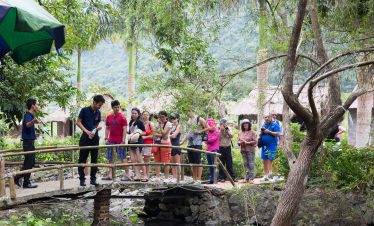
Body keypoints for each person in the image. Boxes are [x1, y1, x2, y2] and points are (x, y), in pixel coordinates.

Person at [76, 95, 105, 186]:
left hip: (95, 138)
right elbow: (78, 122)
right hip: (85, 138)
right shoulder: (84, 110)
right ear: (94, 102)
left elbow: (96, 125)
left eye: (101, 105)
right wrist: (86, 131)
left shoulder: (98, 113)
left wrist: (97, 128)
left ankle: (93, 179)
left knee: (94, 159)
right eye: (99, 105)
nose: (99, 107)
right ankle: (82, 179)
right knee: (82, 159)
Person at [14, 99, 40, 188]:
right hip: (28, 142)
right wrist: (33, 121)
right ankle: (22, 180)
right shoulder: (28, 115)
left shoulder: (30, 115)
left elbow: (28, 127)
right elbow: (27, 125)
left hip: (29, 141)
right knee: (29, 163)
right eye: (37, 104)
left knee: (29, 162)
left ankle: (20, 179)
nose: (38, 106)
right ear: (32, 105)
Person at [103, 100, 129, 181]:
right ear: (112, 108)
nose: (117, 108)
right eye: (115, 107)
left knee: (123, 157)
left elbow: (125, 129)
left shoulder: (122, 117)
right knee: (110, 158)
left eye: (118, 107)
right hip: (111, 140)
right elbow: (107, 128)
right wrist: (106, 137)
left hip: (120, 140)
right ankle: (110, 174)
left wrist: (123, 140)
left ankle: (127, 175)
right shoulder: (109, 117)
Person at [181, 111, 207, 181]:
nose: (187, 113)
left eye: (187, 111)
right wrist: (182, 142)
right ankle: (194, 178)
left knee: (197, 162)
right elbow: (188, 132)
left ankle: (198, 179)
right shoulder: (189, 120)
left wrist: (199, 131)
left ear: (191, 111)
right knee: (192, 162)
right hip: (190, 143)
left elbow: (208, 128)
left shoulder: (199, 119)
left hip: (197, 143)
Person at [128, 107, 147, 182]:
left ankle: (145, 175)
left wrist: (138, 133)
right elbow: (129, 132)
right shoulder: (130, 122)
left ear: (138, 114)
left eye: (135, 113)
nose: (133, 114)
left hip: (138, 142)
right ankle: (137, 174)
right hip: (131, 142)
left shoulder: (140, 122)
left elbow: (144, 132)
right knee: (133, 159)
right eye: (132, 113)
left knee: (139, 159)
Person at [260, 114, 281, 181]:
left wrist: (269, 132)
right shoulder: (263, 125)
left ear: (271, 117)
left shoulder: (275, 124)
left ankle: (270, 175)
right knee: (264, 159)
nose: (267, 118)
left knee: (270, 159)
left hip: (272, 145)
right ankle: (266, 175)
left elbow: (278, 134)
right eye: (265, 117)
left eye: (268, 117)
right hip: (264, 145)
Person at [153, 111, 173, 181]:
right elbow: (154, 133)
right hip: (157, 143)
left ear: (166, 117)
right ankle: (157, 177)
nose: (161, 118)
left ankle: (166, 178)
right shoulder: (156, 124)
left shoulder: (169, 124)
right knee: (157, 160)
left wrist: (161, 125)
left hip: (165, 144)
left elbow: (164, 134)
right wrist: (160, 134)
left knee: (166, 161)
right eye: (160, 117)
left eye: (162, 117)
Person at [238, 119, 257, 183]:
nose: (245, 125)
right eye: (244, 124)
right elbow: (238, 140)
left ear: (249, 125)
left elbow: (255, 141)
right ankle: (246, 178)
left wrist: (247, 142)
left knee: (251, 164)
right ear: (242, 125)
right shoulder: (240, 132)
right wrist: (240, 142)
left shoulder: (252, 132)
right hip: (243, 150)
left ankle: (251, 178)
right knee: (245, 164)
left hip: (250, 150)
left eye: (247, 124)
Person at [218, 118, 237, 182]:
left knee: (229, 163)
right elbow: (218, 137)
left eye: (224, 122)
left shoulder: (228, 128)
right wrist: (221, 131)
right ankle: (222, 177)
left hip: (228, 147)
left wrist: (226, 131)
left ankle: (232, 177)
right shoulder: (218, 129)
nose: (223, 123)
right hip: (221, 147)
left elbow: (231, 136)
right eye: (222, 122)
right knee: (221, 163)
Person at [205, 118, 220, 184]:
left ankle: (216, 178)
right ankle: (211, 178)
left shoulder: (217, 131)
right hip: (208, 149)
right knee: (210, 165)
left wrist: (207, 140)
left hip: (214, 149)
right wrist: (207, 140)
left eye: (210, 125)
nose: (209, 127)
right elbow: (205, 139)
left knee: (214, 165)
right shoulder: (207, 132)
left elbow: (212, 140)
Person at [142, 111, 154, 179]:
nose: (146, 116)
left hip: (148, 143)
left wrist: (145, 137)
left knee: (147, 159)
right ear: (142, 115)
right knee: (140, 159)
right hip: (141, 143)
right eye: (144, 114)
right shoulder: (141, 123)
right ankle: (143, 174)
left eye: (147, 115)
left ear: (149, 116)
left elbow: (153, 135)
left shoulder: (151, 124)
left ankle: (147, 175)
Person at [169, 113, 182, 180]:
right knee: (172, 162)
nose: (172, 119)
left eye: (174, 118)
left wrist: (168, 136)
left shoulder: (179, 126)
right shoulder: (171, 126)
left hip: (176, 145)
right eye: (172, 118)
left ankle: (178, 177)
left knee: (177, 162)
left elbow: (174, 135)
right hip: (170, 145)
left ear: (177, 119)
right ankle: (174, 176)